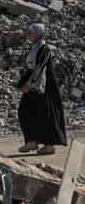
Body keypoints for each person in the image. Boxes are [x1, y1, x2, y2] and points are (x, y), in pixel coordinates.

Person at [16, 23, 66, 155]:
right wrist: (22, 82)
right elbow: (29, 68)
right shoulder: (34, 48)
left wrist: (29, 84)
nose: (28, 35)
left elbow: (40, 67)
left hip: (45, 86)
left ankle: (49, 145)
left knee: (46, 114)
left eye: (30, 32)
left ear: (38, 34)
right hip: (34, 85)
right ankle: (32, 141)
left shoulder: (45, 49)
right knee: (26, 111)